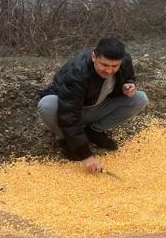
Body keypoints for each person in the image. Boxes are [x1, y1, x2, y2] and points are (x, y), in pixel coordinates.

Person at [38, 37, 148, 174]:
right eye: (104, 65)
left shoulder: (124, 60)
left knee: (140, 99)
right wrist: (86, 155)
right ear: (94, 57)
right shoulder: (77, 72)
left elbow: (128, 77)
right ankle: (65, 139)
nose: (109, 70)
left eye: (114, 66)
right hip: (68, 110)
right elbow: (68, 116)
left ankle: (94, 131)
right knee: (47, 104)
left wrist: (128, 84)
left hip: (96, 106)